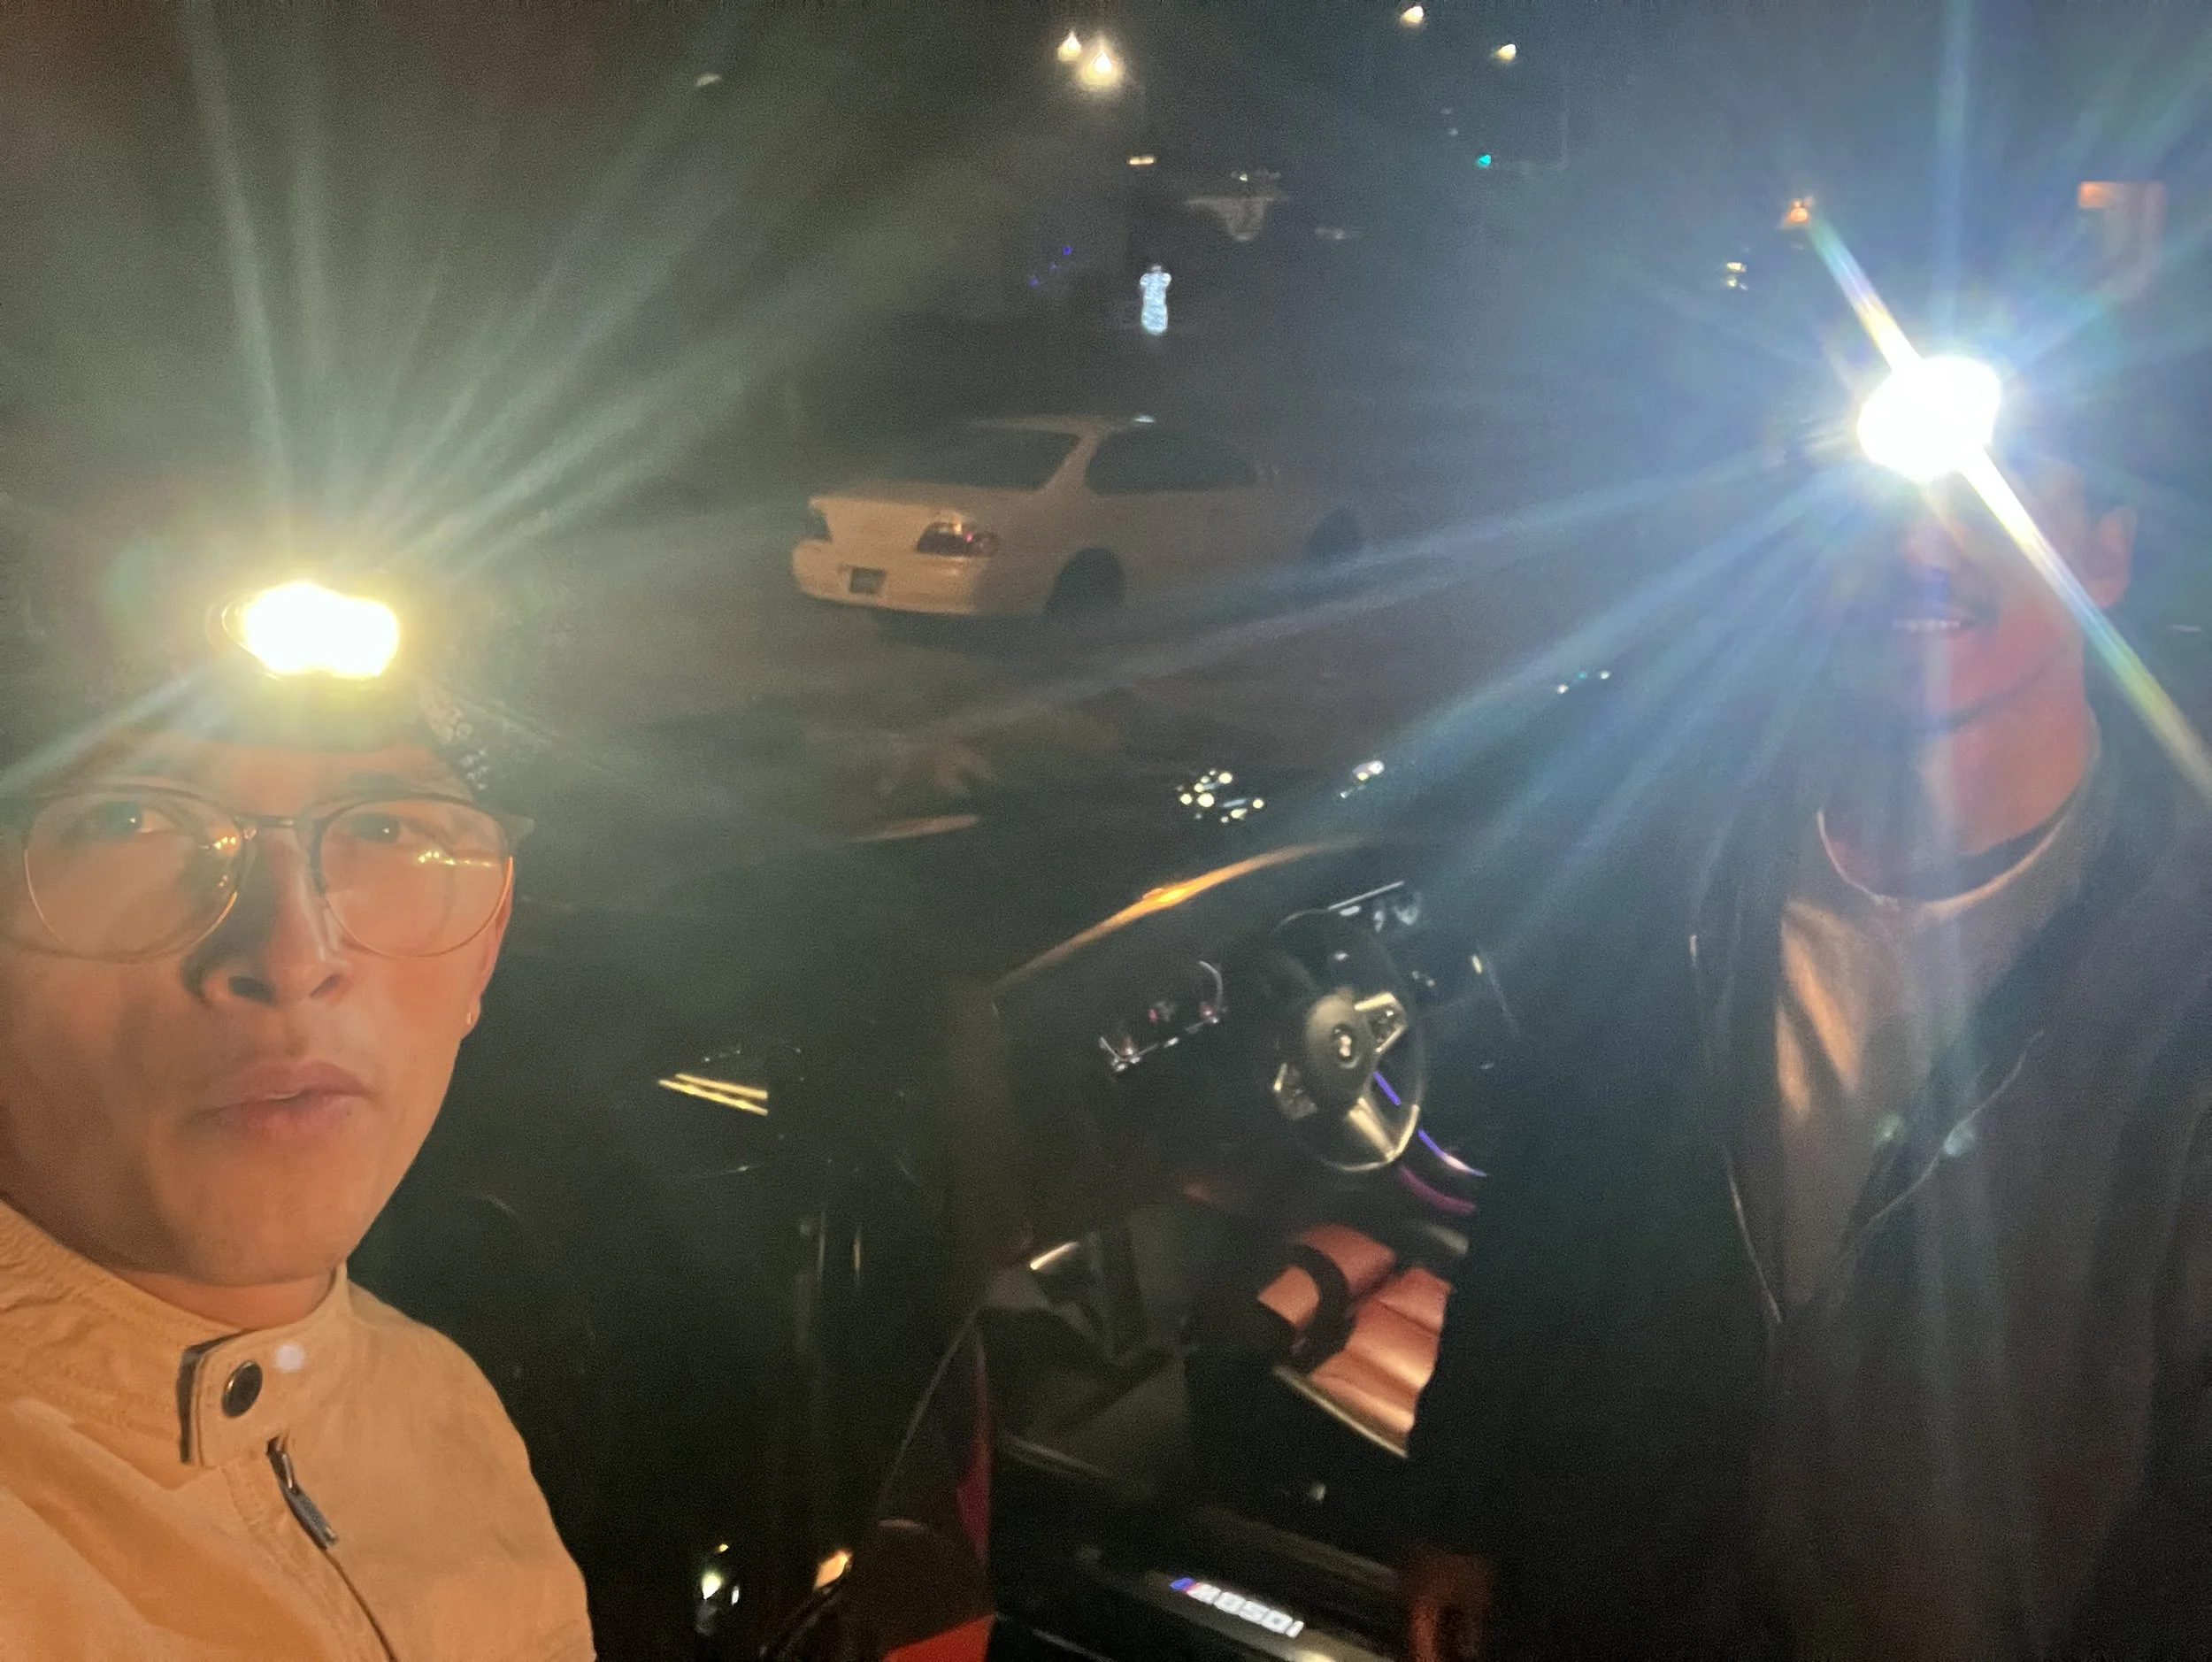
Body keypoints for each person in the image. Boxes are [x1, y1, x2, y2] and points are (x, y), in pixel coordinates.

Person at [1402, 249, 2212, 1658]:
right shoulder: (1685, 857)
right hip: (1626, 1603)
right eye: (1866, 499)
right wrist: (1464, 1495)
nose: (1920, 547)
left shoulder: (2181, 952)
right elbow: (1558, 1188)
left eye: (1992, 489)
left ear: (2106, 549)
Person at [0, 491, 595, 1658]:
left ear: (488, 941)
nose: (289, 954)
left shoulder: (446, 1412)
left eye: (387, 829)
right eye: (128, 823)